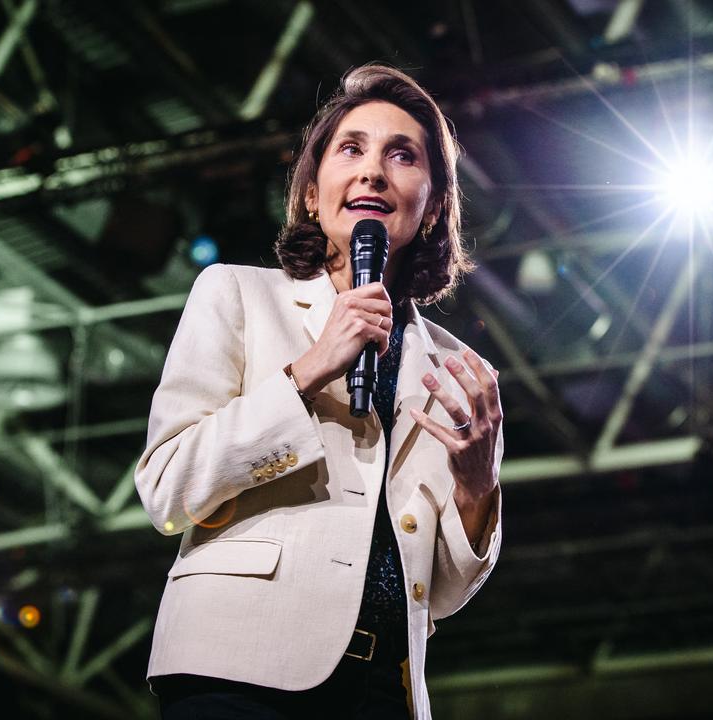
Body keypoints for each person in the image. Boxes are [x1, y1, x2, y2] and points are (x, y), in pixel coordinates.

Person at [134, 64, 503, 719]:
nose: (372, 171)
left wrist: (477, 490)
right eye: (351, 149)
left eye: (402, 155)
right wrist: (306, 373)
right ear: (311, 193)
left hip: (383, 692)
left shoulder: (458, 371)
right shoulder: (237, 295)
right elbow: (167, 488)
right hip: (236, 670)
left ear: (434, 205)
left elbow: (440, 595)